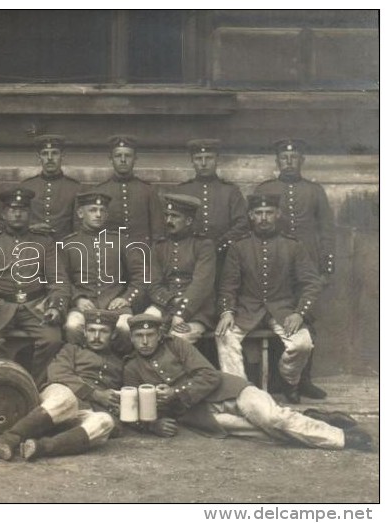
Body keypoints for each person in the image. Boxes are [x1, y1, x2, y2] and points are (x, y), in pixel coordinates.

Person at [122, 314, 372, 451]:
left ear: (159, 335)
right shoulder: (132, 367)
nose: (144, 341)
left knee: (272, 420)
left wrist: (175, 393)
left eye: (149, 335)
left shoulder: (176, 345)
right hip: (201, 415)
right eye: (138, 336)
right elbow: (133, 411)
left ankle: (341, 438)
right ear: (131, 338)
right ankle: (316, 419)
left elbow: (209, 375)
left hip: (230, 391)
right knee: (267, 433)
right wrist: (153, 425)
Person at [215, 194, 324, 403]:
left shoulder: (293, 246)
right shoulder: (239, 247)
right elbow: (228, 285)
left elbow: (311, 283)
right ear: (250, 216)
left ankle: (290, 380)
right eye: (258, 213)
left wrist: (299, 313)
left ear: (278, 214)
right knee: (223, 336)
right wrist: (227, 311)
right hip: (246, 310)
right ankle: (239, 391)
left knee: (302, 344)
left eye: (269, 213)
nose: (263, 218)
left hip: (283, 310)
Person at [254, 138, 336, 400]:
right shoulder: (266, 188)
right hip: (276, 262)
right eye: (283, 159)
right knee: (277, 314)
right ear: (277, 162)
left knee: (305, 319)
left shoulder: (314, 191)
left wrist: (326, 268)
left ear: (302, 160)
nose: (288, 162)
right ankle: (281, 381)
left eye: (293, 158)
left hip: (307, 264)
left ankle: (303, 381)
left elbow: (327, 231)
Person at [0, 309, 127, 461]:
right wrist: (95, 394)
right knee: (67, 399)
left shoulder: (120, 363)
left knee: (104, 421)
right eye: (91, 331)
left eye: (103, 332)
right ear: (84, 332)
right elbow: (59, 374)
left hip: (85, 412)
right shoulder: (71, 350)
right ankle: (10, 437)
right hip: (58, 400)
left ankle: (41, 447)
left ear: (114, 334)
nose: (96, 337)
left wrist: (116, 407)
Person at [0, 187, 70, 386]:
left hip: (36, 307)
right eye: (12, 209)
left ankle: (34, 385)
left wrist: (54, 306)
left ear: (29, 213)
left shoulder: (44, 243)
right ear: (4, 214)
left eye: (22, 209)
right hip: (1, 307)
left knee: (52, 339)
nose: (17, 213)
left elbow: (58, 281)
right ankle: (5, 382)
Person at [62, 192, 148, 343]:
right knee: (72, 326)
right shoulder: (68, 244)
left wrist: (127, 298)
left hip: (116, 307)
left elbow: (141, 276)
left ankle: (120, 364)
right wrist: (77, 299)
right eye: (92, 210)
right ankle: (80, 362)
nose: (98, 214)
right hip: (83, 307)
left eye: (102, 210)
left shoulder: (121, 241)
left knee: (125, 328)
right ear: (81, 213)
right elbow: (61, 279)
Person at [146, 194, 217, 345]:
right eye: (167, 216)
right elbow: (153, 284)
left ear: (189, 221)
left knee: (178, 338)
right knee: (143, 330)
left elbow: (201, 285)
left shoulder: (203, 245)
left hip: (197, 309)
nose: (168, 221)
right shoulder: (159, 246)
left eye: (175, 216)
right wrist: (172, 300)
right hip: (165, 305)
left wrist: (181, 312)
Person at [175, 139, 248, 256]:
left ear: (217, 160)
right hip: (189, 255)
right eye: (198, 159)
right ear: (192, 162)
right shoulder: (182, 191)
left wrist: (222, 244)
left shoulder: (230, 191)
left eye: (209, 158)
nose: (203, 163)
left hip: (223, 253)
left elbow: (242, 223)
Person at [94, 135, 164, 244]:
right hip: (112, 253)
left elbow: (158, 231)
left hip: (142, 252)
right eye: (118, 156)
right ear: (110, 159)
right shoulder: (100, 191)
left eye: (128, 156)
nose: (123, 160)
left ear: (135, 159)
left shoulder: (148, 191)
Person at [20, 134, 82, 239]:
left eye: (54, 153)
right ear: (39, 157)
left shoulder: (75, 188)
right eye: (45, 154)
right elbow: (18, 220)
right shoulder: (26, 186)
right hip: (32, 245)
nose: (49, 158)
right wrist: (30, 228)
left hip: (63, 246)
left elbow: (78, 226)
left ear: (62, 155)